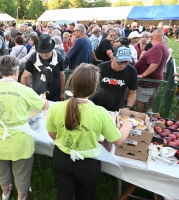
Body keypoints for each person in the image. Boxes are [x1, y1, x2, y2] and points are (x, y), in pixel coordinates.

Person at [46, 63, 136, 200]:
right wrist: (129, 123)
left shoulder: (56, 107)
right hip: (87, 164)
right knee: (86, 194)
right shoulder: (100, 113)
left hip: (61, 158)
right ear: (94, 88)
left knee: (63, 193)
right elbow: (118, 141)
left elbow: (52, 135)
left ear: (71, 83)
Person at [0, 55, 49, 200]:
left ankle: (5, 193)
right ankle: (20, 196)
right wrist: (42, 98)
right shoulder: (23, 90)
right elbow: (45, 106)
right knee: (22, 170)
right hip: (20, 140)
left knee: (2, 169)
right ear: (17, 72)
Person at [90, 46, 138, 111]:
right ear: (112, 58)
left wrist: (128, 107)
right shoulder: (100, 68)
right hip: (96, 106)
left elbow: (133, 92)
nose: (122, 65)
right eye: (119, 62)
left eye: (126, 62)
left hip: (114, 108)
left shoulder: (132, 71)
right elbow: (90, 86)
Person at [21, 34, 65, 101]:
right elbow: (24, 76)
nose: (44, 54)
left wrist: (62, 93)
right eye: (42, 52)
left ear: (52, 48)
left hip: (55, 95)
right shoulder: (33, 59)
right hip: (37, 95)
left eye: (47, 51)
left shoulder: (59, 58)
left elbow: (62, 75)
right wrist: (25, 94)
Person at [134, 29, 169, 113]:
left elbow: (155, 64)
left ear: (152, 36)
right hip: (154, 79)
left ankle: (140, 117)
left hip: (147, 82)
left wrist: (143, 75)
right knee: (147, 100)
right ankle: (145, 115)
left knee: (141, 101)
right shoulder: (162, 46)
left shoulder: (158, 47)